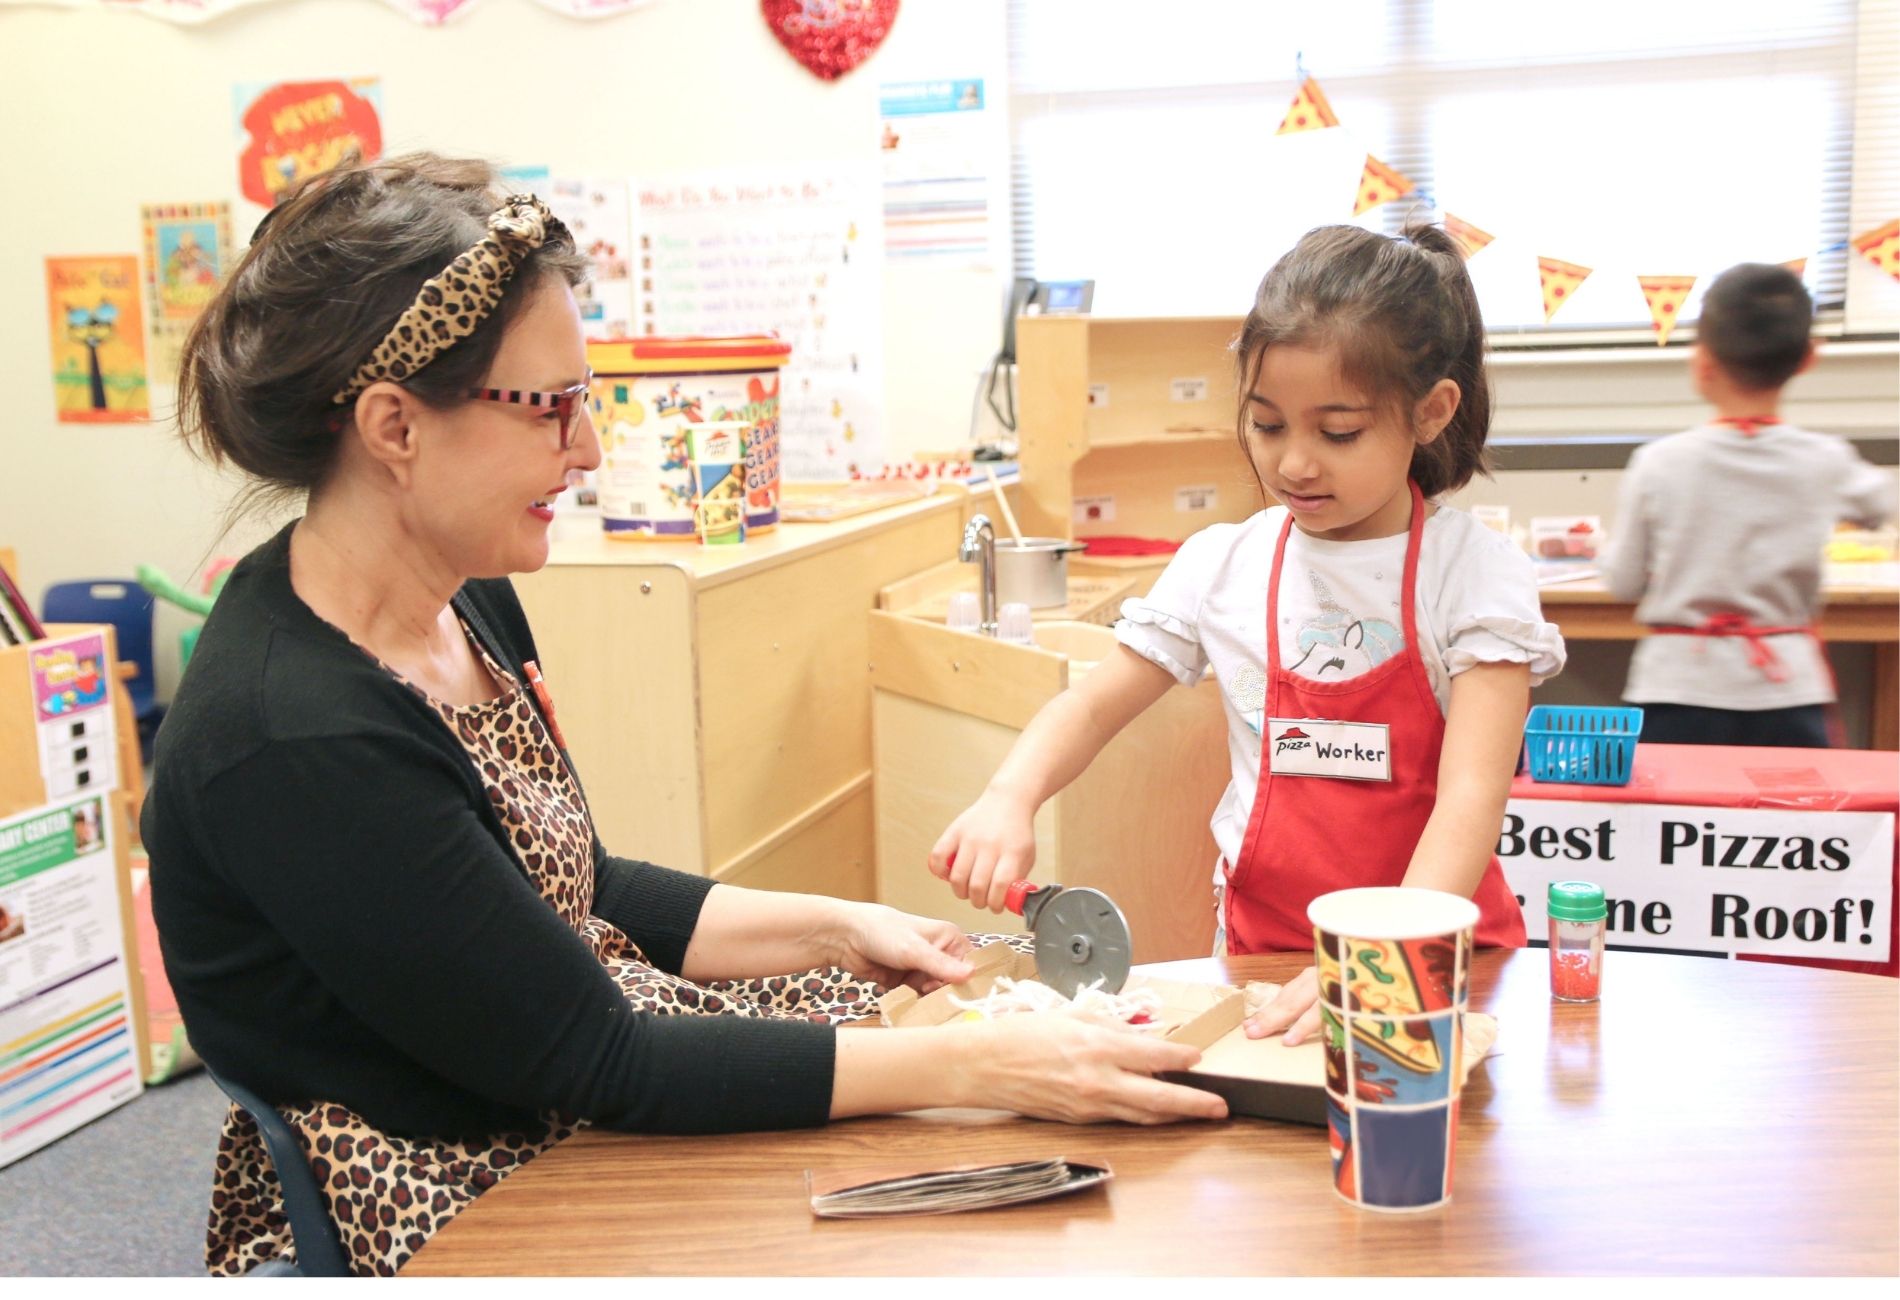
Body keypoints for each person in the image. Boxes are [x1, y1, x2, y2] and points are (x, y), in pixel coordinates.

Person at [143, 153, 1224, 1278]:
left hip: (559, 1060)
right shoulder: (298, 735)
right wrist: (989, 1066)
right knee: (936, 1159)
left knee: (939, 1074)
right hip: (448, 1174)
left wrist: (840, 925)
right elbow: (596, 1060)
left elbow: (580, 887)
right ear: (394, 428)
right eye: (551, 406)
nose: (590, 447)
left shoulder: (464, 592)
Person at [930, 224, 1564, 1047]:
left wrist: (1383, 953)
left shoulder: (1473, 576)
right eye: (1268, 426)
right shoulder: (1223, 564)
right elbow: (1090, 707)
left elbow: (1471, 798)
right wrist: (1007, 796)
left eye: (1337, 433)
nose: (1294, 464)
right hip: (1267, 955)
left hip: (1434, 951)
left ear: (1431, 412)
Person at [1605, 262, 1893, 747]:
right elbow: (1881, 502)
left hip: (1676, 688)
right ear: (1808, 358)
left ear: (1703, 361)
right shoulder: (1825, 460)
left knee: (1679, 823)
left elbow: (1622, 580)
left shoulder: (1658, 463)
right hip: (1788, 689)